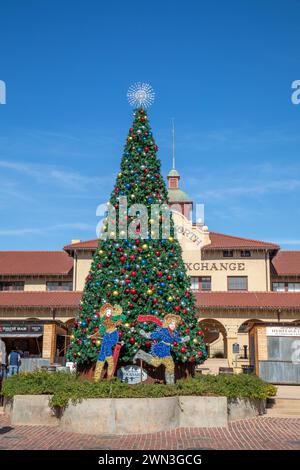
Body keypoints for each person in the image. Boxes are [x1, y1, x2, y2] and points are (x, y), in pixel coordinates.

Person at [133, 313, 190, 384]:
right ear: (167, 323)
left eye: (174, 324)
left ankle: (170, 384)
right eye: (171, 323)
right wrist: (144, 334)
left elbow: (178, 339)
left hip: (166, 351)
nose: (173, 325)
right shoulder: (163, 331)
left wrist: (185, 338)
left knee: (166, 365)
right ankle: (141, 354)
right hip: (160, 349)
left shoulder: (174, 333)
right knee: (165, 364)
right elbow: (154, 335)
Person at [88, 303, 125, 382]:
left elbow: (123, 316)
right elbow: (101, 331)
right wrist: (93, 336)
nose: (108, 312)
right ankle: (96, 378)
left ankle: (109, 375)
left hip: (113, 336)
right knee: (102, 354)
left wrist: (119, 321)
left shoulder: (115, 317)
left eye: (109, 310)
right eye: (106, 311)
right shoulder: (103, 321)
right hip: (106, 337)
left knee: (107, 349)